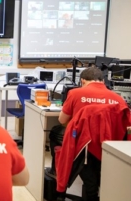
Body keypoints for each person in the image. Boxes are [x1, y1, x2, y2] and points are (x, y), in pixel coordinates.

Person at [46, 67, 128, 199]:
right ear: (103, 81)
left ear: (82, 81)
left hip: (83, 147)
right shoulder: (118, 99)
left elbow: (62, 120)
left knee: (55, 133)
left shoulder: (75, 93)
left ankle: (58, 175)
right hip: (109, 147)